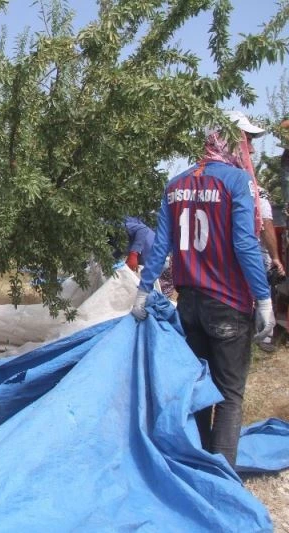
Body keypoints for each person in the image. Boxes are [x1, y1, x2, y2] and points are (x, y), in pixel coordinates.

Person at [131, 110, 275, 468]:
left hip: (189, 304)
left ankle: (199, 463)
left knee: (200, 389)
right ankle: (221, 474)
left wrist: (143, 290)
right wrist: (264, 298)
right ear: (231, 140)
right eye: (248, 142)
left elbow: (162, 241)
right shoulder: (235, 182)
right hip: (227, 303)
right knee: (229, 393)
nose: (252, 152)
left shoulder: (176, 184)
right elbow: (244, 244)